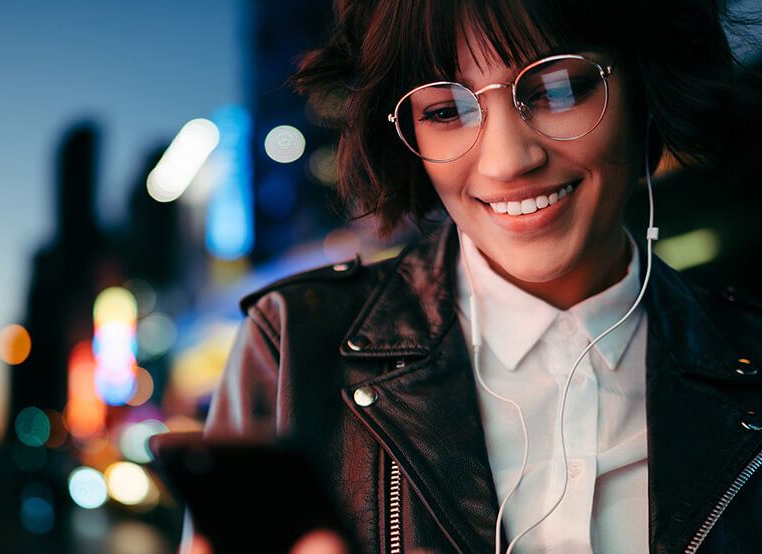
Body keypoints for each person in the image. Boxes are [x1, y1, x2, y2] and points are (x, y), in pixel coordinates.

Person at [197, 0, 762, 552]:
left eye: (556, 90)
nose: (507, 161)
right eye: (445, 111)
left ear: (644, 81)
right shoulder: (293, 347)